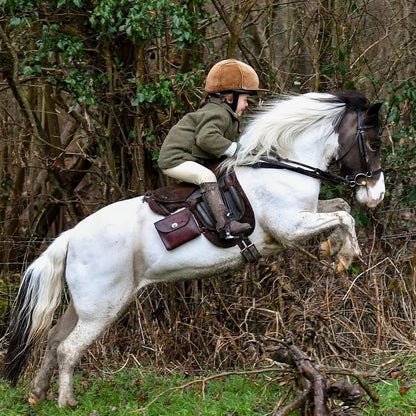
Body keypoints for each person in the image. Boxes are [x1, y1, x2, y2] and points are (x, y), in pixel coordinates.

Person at [158, 59, 262, 239]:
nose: (246, 105)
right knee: (206, 176)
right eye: (245, 99)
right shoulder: (218, 113)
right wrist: (236, 150)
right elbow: (206, 139)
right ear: (230, 97)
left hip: (186, 157)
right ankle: (225, 226)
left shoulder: (221, 111)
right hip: (175, 160)